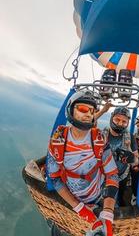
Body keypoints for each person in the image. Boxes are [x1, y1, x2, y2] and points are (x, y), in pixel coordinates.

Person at [46, 90, 119, 236]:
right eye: (83, 109)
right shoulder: (58, 141)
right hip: (71, 197)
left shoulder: (99, 139)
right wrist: (80, 208)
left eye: (92, 111)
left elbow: (112, 175)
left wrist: (108, 212)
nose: (88, 114)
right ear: (70, 110)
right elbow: (54, 178)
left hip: (99, 196)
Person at [102, 107, 139, 206]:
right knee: (104, 196)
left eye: (124, 122)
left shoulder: (129, 137)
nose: (120, 123)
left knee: (120, 196)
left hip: (122, 176)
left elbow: (136, 161)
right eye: (117, 119)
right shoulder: (101, 135)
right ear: (111, 118)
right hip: (103, 175)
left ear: (127, 123)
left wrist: (131, 157)